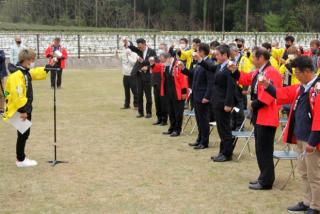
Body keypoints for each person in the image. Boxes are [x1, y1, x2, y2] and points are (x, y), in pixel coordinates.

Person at [260, 56, 320, 214]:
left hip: (312, 139)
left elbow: (319, 117)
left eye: (298, 72)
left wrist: (313, 142)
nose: (296, 75)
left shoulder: (317, 88)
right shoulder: (301, 87)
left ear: (307, 71)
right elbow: (282, 93)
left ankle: (316, 205)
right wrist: (267, 86)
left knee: (314, 175)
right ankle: (308, 201)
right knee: (304, 172)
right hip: (301, 136)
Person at [228, 47, 282, 190]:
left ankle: (266, 180)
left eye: (254, 56)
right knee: (260, 148)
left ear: (261, 58)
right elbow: (246, 78)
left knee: (264, 149)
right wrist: (235, 71)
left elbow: (271, 94)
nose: (251, 59)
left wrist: (254, 104)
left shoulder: (272, 72)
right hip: (259, 115)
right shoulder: (259, 71)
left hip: (267, 115)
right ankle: (263, 176)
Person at [3, 48, 50, 167]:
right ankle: (21, 159)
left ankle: (21, 158)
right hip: (20, 109)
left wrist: (48, 66)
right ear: (25, 60)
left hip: (25, 108)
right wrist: (23, 111)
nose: (33, 62)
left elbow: (35, 73)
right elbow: (17, 95)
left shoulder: (25, 71)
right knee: (23, 133)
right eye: (32, 60)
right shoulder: (17, 75)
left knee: (24, 133)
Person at [199, 44, 237, 162]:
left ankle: (227, 154)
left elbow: (231, 87)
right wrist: (200, 60)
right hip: (217, 102)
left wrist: (228, 104)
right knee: (221, 129)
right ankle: (222, 151)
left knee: (225, 129)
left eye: (217, 55)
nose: (215, 56)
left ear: (225, 55)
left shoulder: (230, 67)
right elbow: (210, 67)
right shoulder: (220, 66)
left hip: (223, 103)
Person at [180, 43, 215, 149]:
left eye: (198, 50)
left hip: (203, 96)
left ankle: (204, 142)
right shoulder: (199, 63)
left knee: (204, 120)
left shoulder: (209, 63)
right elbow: (193, 74)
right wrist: (183, 69)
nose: (196, 52)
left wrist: (207, 96)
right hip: (196, 94)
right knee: (199, 119)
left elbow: (210, 82)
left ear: (203, 52)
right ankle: (199, 139)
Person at [151, 53, 188, 137]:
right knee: (171, 112)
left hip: (177, 92)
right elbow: (156, 68)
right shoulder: (166, 66)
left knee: (178, 112)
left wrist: (184, 92)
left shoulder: (178, 64)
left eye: (162, 59)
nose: (161, 61)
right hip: (168, 92)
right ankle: (171, 128)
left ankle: (177, 130)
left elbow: (183, 79)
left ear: (168, 58)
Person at [125, 38, 156, 118]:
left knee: (148, 95)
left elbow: (155, 63)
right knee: (139, 95)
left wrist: (148, 67)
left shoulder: (152, 51)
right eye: (138, 47)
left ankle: (148, 112)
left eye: (141, 47)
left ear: (144, 44)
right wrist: (126, 42)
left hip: (148, 76)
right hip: (139, 75)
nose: (139, 49)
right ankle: (140, 112)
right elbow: (132, 47)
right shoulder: (138, 50)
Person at [153, 43, 168, 125]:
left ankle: (164, 119)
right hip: (156, 84)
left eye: (161, 48)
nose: (160, 50)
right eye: (159, 48)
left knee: (163, 103)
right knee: (157, 102)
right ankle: (159, 118)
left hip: (164, 86)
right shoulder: (157, 60)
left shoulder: (168, 62)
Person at [0, 49, 7, 115]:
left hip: (1, 75)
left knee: (1, 93)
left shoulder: (1, 52)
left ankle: (1, 109)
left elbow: (2, 58)